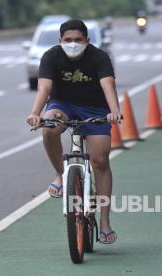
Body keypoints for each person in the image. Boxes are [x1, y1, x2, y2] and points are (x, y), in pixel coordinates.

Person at [26, 19, 122, 244]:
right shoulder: (51, 56)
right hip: (63, 106)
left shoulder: (99, 57)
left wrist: (114, 111)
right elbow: (44, 88)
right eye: (68, 40)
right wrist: (35, 113)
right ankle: (60, 174)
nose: (73, 44)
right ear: (60, 41)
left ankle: (105, 223)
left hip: (95, 109)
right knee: (49, 125)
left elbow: (108, 85)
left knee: (100, 160)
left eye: (78, 40)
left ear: (87, 41)